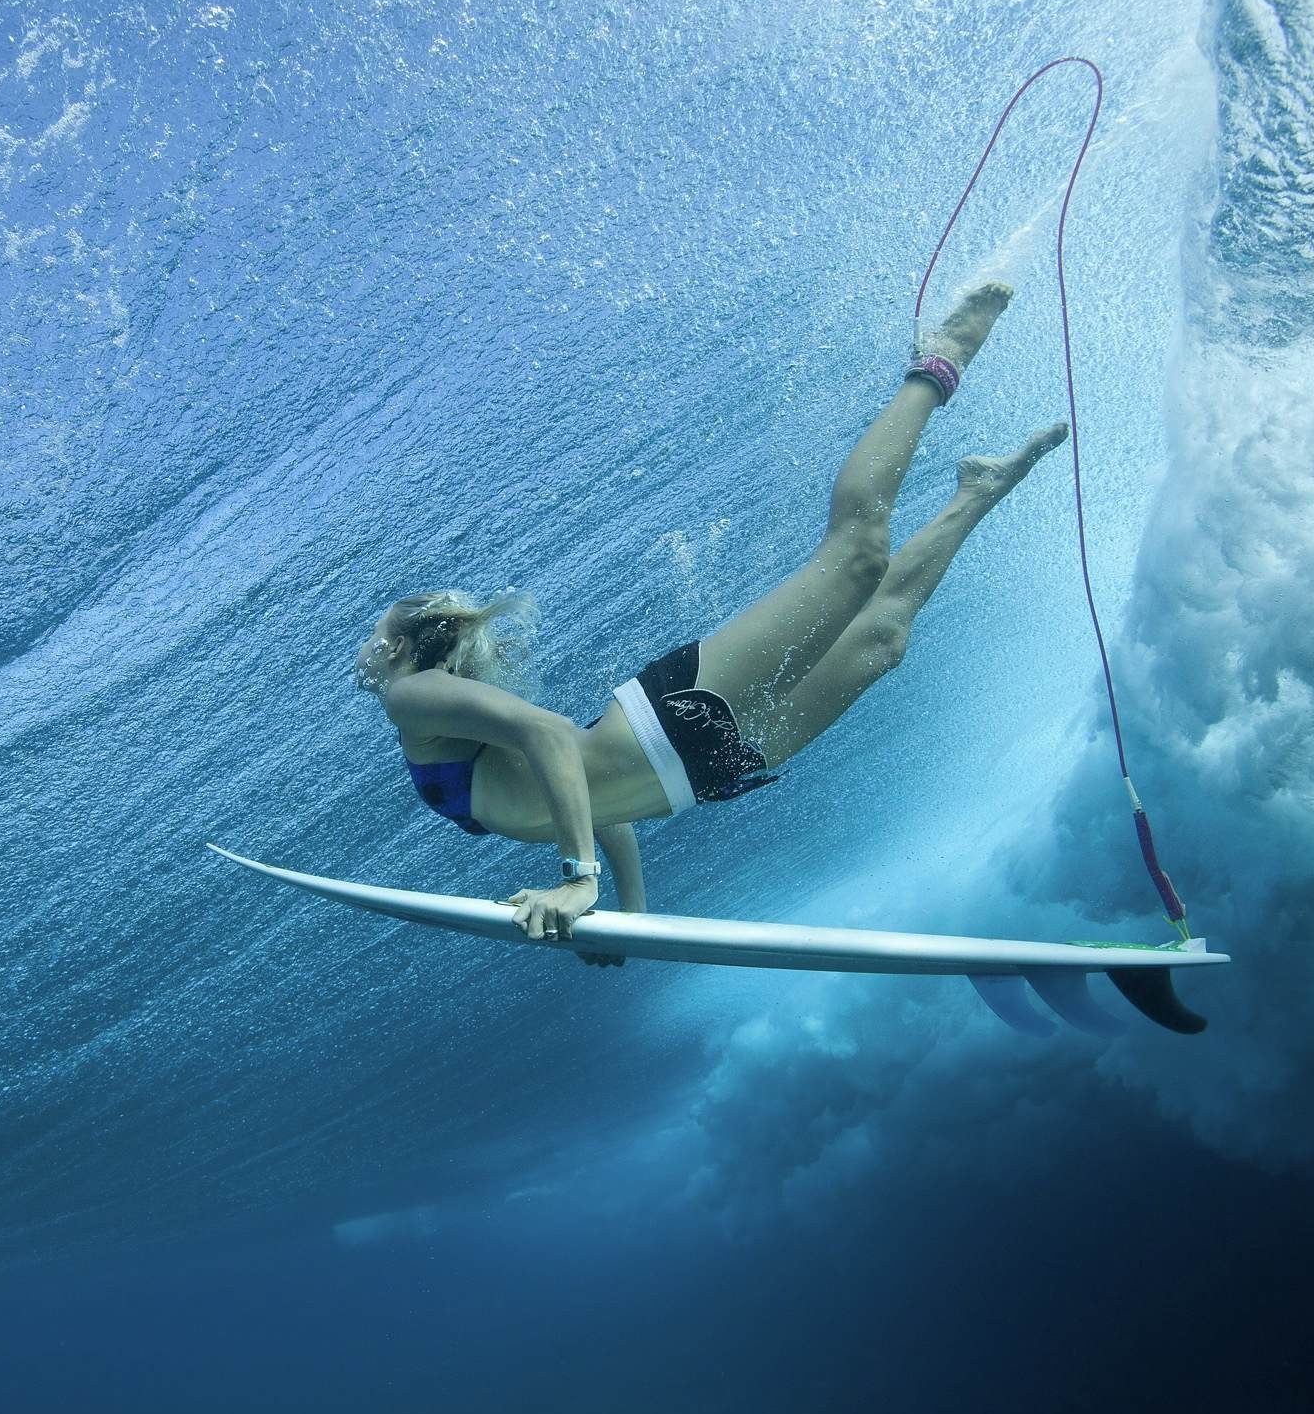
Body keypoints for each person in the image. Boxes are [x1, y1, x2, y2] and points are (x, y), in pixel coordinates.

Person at [353, 283, 1066, 951]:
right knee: (883, 639)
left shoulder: (408, 697)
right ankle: (977, 490)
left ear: (401, 648)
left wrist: (579, 879)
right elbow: (581, 783)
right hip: (708, 771)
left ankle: (942, 357)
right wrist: (628, 915)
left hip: (674, 720)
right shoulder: (436, 715)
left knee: (857, 556)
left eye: (374, 633)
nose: (366, 646)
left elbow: (548, 735)